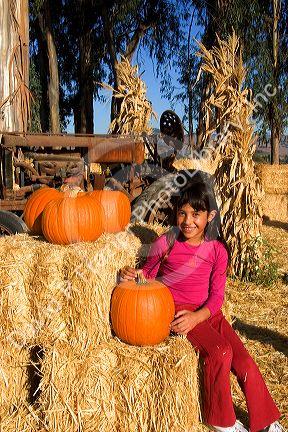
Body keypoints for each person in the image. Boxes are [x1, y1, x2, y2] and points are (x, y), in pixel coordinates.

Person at [119, 180, 282, 432]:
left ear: (210, 216)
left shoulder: (217, 250)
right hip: (179, 310)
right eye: (182, 213)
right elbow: (148, 275)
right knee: (219, 352)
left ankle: (266, 420)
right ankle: (220, 420)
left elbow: (217, 297)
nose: (188, 221)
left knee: (245, 362)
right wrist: (131, 276)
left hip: (207, 311)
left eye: (196, 214)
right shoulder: (168, 242)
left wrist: (200, 316)